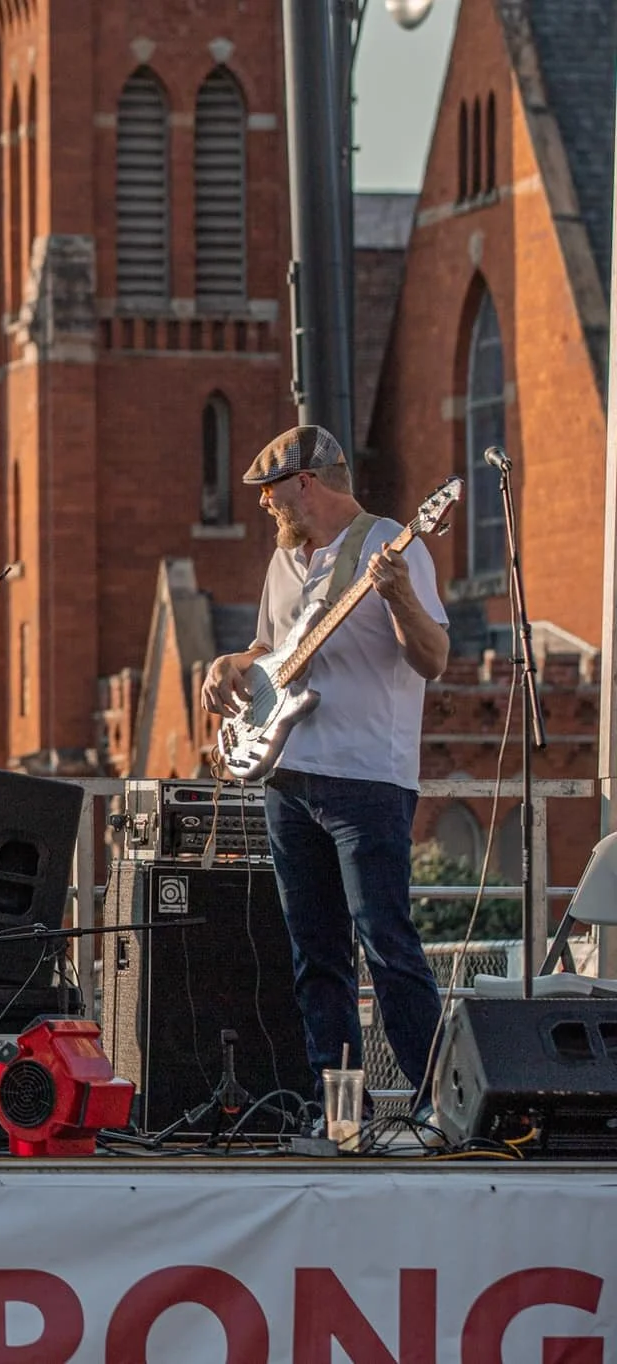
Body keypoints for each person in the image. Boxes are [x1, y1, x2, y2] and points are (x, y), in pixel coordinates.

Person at [200, 424, 450, 1110]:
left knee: (386, 943)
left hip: (367, 777)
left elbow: (433, 658)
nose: (262, 505)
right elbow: (267, 649)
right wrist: (231, 665)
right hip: (289, 774)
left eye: (270, 491)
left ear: (305, 483)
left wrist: (396, 594)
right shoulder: (284, 560)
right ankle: (337, 1113)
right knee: (316, 959)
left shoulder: (392, 544)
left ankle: (441, 1105)